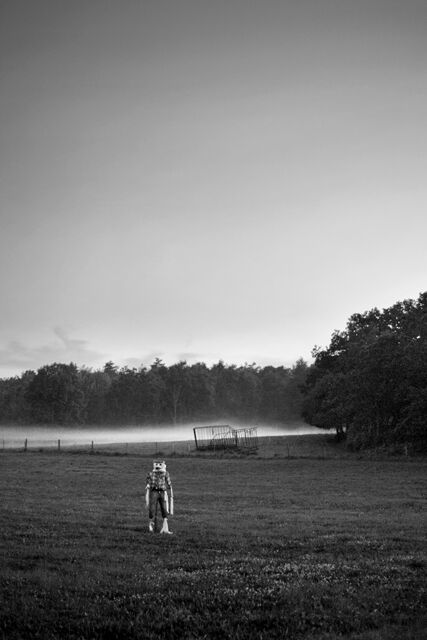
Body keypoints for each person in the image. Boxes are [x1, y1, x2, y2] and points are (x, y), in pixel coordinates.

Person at [145, 460, 174, 534]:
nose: (158, 466)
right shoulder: (151, 473)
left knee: (164, 508)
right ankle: (151, 523)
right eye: (157, 464)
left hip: (162, 492)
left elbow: (168, 482)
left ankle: (165, 527)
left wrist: (170, 487)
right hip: (154, 491)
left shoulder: (166, 473)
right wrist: (148, 484)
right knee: (152, 508)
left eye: (160, 464)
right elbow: (148, 479)